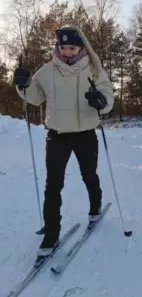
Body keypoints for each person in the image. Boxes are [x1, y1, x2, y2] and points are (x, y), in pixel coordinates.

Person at [13, 25, 114, 257]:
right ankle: (51, 233)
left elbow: (107, 95)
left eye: (72, 47)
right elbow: (35, 98)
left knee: (89, 174)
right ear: (57, 47)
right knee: (53, 184)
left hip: (85, 133)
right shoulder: (48, 70)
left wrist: (102, 102)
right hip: (57, 134)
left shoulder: (94, 68)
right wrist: (22, 85)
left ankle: (95, 205)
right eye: (63, 47)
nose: (67, 52)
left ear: (80, 47)